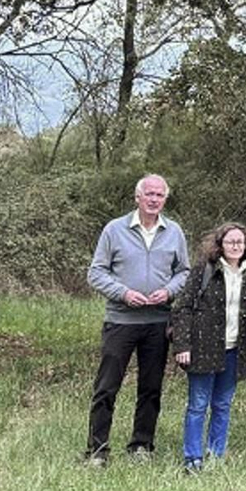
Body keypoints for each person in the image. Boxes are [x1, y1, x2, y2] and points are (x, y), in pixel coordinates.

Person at [84, 173, 190, 464]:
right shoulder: (114, 230)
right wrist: (123, 293)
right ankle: (97, 450)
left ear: (165, 199)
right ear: (138, 198)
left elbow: (184, 272)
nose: (154, 199)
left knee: (151, 387)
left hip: (157, 322)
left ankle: (141, 446)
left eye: (160, 195)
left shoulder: (174, 232)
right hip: (121, 321)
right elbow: (96, 272)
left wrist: (169, 291)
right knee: (107, 386)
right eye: (150, 194)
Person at [172, 222, 246, 471]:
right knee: (198, 405)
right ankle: (192, 458)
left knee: (222, 405)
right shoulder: (204, 270)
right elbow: (182, 308)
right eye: (230, 241)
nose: (235, 246)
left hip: (236, 349)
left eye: (240, 241)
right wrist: (182, 345)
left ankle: (216, 454)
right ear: (220, 244)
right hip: (203, 347)